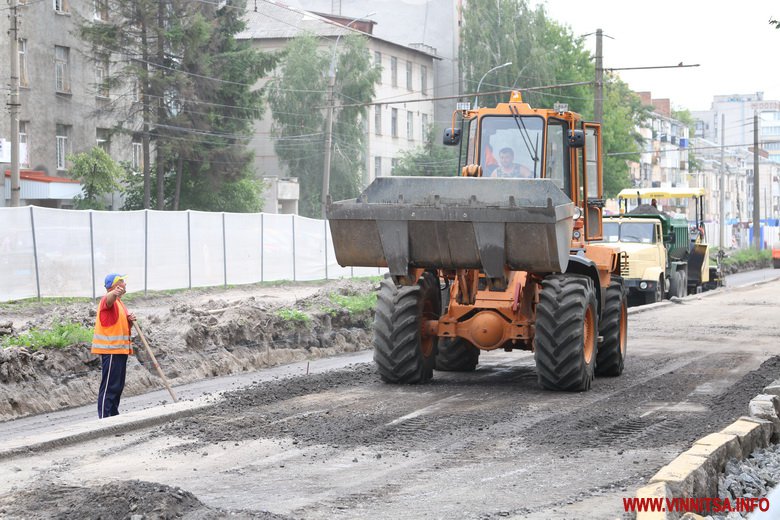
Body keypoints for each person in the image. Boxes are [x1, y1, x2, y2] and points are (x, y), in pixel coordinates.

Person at [92, 273, 136, 419]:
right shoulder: (108, 299)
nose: (125, 283)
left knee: (117, 386)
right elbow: (108, 300)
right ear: (115, 285)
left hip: (120, 350)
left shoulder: (120, 304)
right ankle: (105, 418)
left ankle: (114, 416)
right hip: (110, 349)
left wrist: (129, 321)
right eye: (122, 281)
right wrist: (113, 294)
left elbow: (116, 324)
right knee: (109, 386)